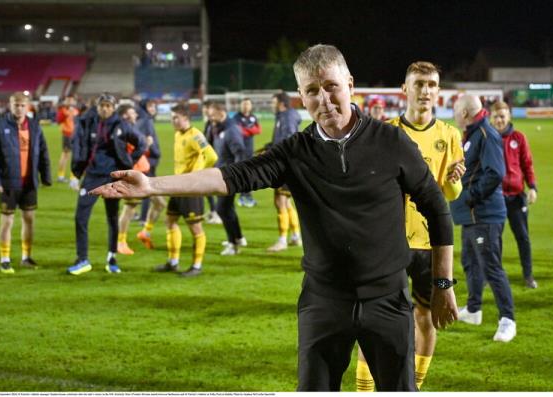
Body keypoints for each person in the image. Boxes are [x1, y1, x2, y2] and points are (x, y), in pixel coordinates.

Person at [90, 44, 458, 391]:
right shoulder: (295, 152)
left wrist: (443, 285)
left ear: (350, 85)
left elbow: (437, 210)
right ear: (302, 97)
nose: (325, 100)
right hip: (324, 300)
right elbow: (230, 177)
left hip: (387, 298)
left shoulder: (391, 142)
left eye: (332, 87)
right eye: (312, 91)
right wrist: (152, 184)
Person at [356, 61, 465, 391]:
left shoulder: (450, 135)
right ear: (405, 89)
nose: (426, 90)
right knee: (373, 320)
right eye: (419, 84)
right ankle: (363, 389)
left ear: (439, 92)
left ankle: (414, 385)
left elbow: (450, 194)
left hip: (428, 244)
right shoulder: (386, 132)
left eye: (431, 84)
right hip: (387, 244)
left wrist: (454, 181)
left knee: (425, 318)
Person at [452, 94, 516, 343]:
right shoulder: (473, 134)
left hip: (485, 214)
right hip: (471, 215)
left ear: (465, 113)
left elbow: (495, 172)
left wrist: (469, 196)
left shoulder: (487, 134)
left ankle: (508, 320)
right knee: (470, 262)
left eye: (456, 111)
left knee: (491, 267)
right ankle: (474, 309)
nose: (455, 115)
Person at [67, 93, 146, 275]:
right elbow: (79, 146)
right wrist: (76, 173)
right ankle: (83, 260)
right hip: (92, 177)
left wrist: (128, 162)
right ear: (98, 106)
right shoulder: (89, 122)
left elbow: (141, 143)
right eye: (102, 105)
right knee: (81, 217)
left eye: (108, 106)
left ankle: (111, 258)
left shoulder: (122, 125)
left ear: (113, 108)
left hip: (112, 177)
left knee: (112, 217)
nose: (105, 108)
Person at [0, 91, 52, 273]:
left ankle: (26, 257)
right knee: (7, 221)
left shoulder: (34, 126)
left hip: (29, 182)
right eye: (16, 105)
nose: (19, 108)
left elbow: (43, 152)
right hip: (8, 182)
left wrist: (46, 177)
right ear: (10, 105)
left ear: (27, 106)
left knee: (29, 219)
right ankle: (5, 259)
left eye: (22, 105)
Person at [154, 104, 217, 276]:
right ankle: (172, 262)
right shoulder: (177, 134)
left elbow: (211, 156)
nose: (172, 121)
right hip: (178, 186)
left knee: (195, 228)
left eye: (175, 117)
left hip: (191, 188)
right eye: (172, 117)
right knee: (170, 221)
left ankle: (197, 266)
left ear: (185, 118)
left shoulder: (195, 134)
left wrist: (198, 173)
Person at [490, 101, 538, 288]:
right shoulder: (487, 138)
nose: (500, 120)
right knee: (495, 240)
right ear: (491, 118)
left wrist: (532, 187)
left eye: (502, 116)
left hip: (517, 197)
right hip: (495, 198)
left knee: (523, 238)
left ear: (509, 116)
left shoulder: (519, 137)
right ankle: (495, 276)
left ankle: (528, 275)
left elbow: (527, 164)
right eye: (496, 116)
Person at [114, 104, 156, 255]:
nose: (136, 115)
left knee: (159, 203)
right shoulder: (123, 129)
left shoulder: (131, 127)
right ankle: (120, 242)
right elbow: (130, 150)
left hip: (144, 171)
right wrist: (146, 143)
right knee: (129, 208)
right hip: (135, 173)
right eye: (132, 112)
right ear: (125, 115)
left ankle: (145, 232)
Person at [267, 92, 302, 252]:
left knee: (280, 201)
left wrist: (273, 154)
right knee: (286, 202)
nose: (271, 105)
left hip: (286, 165)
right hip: (286, 164)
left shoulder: (286, 117)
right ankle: (295, 236)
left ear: (281, 103)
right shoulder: (284, 115)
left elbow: (288, 140)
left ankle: (282, 241)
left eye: (273, 102)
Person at [211, 101, 247, 255]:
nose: (210, 117)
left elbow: (239, 153)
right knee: (228, 209)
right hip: (222, 175)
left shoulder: (231, 130)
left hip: (229, 177)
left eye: (212, 114)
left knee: (221, 209)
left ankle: (233, 245)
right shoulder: (219, 127)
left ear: (221, 112)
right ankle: (238, 237)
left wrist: (235, 175)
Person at [135, 99, 162, 226]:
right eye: (150, 106)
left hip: (147, 160)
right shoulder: (146, 120)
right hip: (148, 160)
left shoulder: (143, 119)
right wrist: (155, 151)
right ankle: (143, 218)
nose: (153, 108)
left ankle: (139, 215)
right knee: (149, 189)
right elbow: (145, 141)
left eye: (154, 105)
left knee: (149, 188)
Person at [233, 98, 262, 207]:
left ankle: (248, 197)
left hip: (250, 150)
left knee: (250, 174)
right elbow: (238, 131)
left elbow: (259, 130)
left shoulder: (253, 117)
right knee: (241, 174)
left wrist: (246, 130)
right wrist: (250, 130)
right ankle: (241, 197)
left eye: (248, 104)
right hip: (239, 150)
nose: (246, 106)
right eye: (244, 104)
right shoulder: (236, 117)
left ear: (250, 106)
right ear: (241, 106)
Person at [202, 100, 223, 225]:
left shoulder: (216, 124)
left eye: (207, 108)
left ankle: (217, 213)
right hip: (210, 159)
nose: (205, 111)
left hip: (216, 160)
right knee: (207, 188)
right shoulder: (209, 123)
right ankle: (213, 211)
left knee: (213, 188)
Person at [56, 95, 79, 184]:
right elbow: (58, 121)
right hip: (67, 135)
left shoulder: (76, 110)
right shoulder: (63, 110)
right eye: (68, 100)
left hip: (75, 135)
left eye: (71, 100)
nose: (70, 102)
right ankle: (61, 176)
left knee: (74, 155)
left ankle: (71, 176)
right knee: (66, 155)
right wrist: (66, 114)